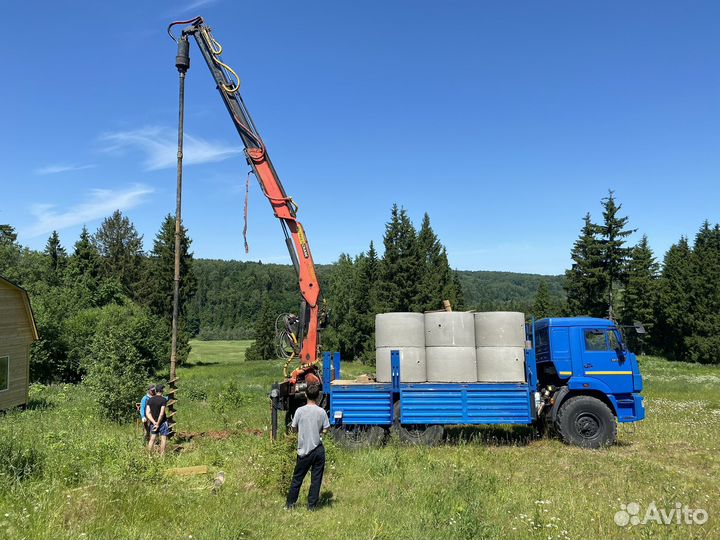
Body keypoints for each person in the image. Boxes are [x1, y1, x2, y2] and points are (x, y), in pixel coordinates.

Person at [286, 383, 330, 510]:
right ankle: (311, 506)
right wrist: (319, 433)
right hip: (318, 449)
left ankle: (290, 505)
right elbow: (326, 429)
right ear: (317, 396)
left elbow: (294, 428)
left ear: (305, 395)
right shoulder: (321, 412)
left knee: (297, 479)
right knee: (316, 479)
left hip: (304, 450)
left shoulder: (300, 411)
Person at [146, 384, 170, 455]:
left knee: (152, 439)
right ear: (162, 390)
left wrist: (154, 422)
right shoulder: (163, 400)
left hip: (153, 423)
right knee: (163, 439)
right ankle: (162, 457)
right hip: (162, 422)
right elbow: (162, 413)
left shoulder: (150, 400)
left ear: (156, 390)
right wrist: (158, 423)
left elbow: (147, 413)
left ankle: (149, 456)